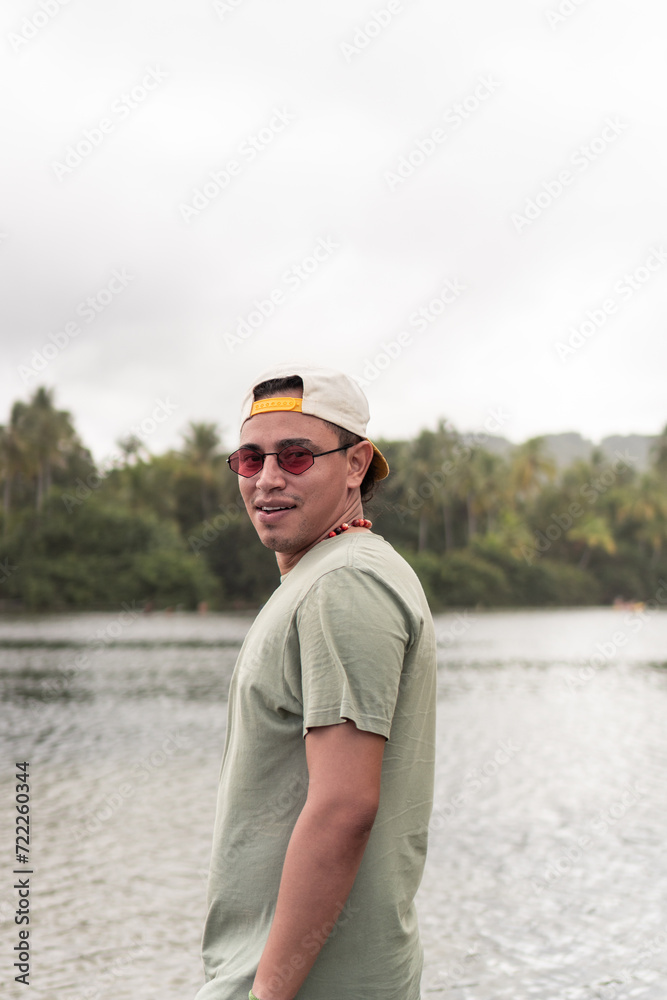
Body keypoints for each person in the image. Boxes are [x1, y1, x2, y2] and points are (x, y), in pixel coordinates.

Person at [196, 363, 436, 1000]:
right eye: (250, 459)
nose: (268, 478)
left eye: (296, 456)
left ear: (356, 465)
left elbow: (343, 808)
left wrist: (267, 994)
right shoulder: (326, 576)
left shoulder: (343, 584)